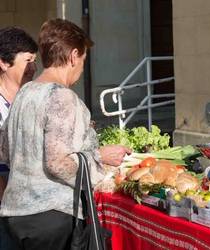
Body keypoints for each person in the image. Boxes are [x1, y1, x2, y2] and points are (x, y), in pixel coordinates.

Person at [0, 18, 131, 250]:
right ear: (73, 56)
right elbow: (57, 163)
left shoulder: (25, 92)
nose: (81, 67)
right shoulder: (62, 96)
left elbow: (5, 151)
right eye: (83, 60)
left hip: (15, 215)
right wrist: (100, 157)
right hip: (50, 217)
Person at [0, 26, 38, 201]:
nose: (34, 67)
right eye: (28, 60)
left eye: (35, 61)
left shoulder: (35, 97)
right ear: (4, 63)